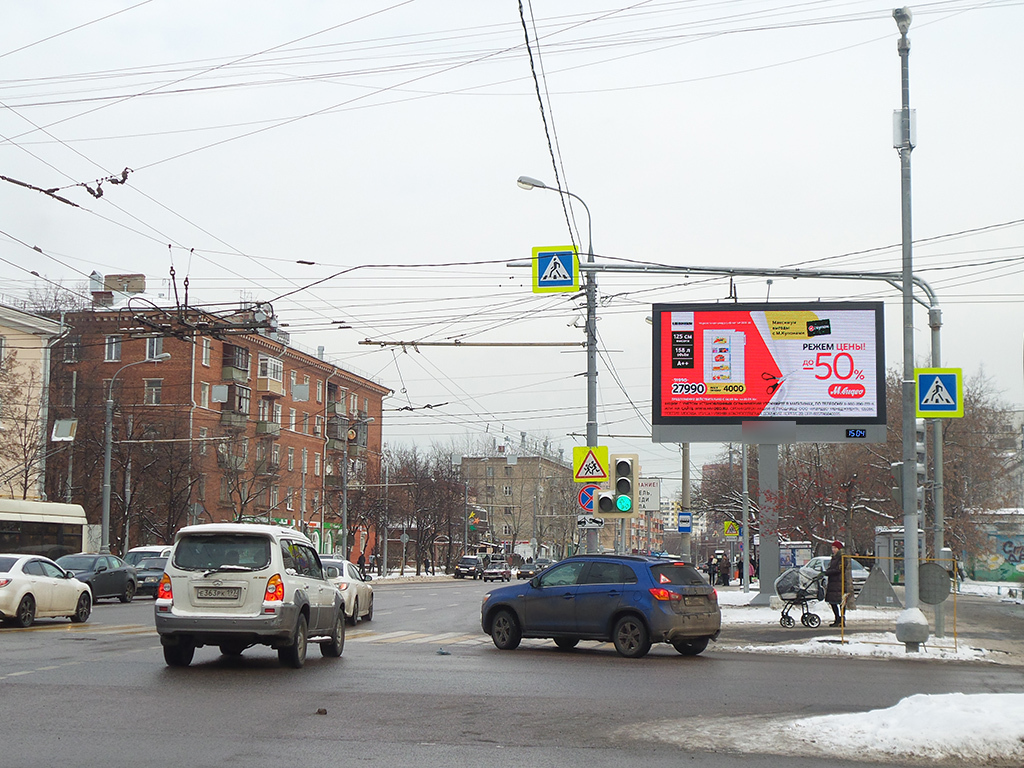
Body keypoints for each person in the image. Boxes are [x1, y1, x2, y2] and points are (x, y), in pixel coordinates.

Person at [824, 539, 852, 627]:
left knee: (841, 602)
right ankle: (837, 619)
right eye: (832, 548)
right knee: (832, 602)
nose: (833, 550)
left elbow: (838, 569)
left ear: (839, 549)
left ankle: (842, 619)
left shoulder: (842, 557)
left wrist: (828, 572)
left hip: (839, 582)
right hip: (833, 582)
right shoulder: (834, 558)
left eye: (835, 548)